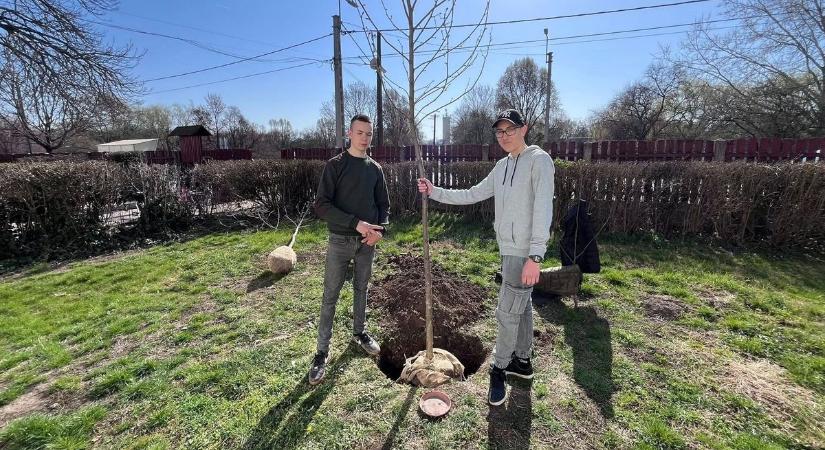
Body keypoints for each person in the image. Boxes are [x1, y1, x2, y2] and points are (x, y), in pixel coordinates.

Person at [417, 109, 555, 405]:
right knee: (521, 306)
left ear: (524, 129)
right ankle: (522, 362)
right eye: (499, 132)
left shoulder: (539, 160)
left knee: (506, 312)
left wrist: (535, 256)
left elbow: (544, 209)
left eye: (510, 130)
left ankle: (499, 368)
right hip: (508, 249)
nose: (504, 136)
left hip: (524, 251)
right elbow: (472, 193)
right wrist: (435, 191)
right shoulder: (502, 166)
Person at [309, 114, 389, 385]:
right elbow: (322, 205)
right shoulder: (335, 166)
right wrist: (355, 223)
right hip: (339, 242)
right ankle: (321, 352)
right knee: (330, 295)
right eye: (360, 133)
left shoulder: (375, 169)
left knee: (361, 289)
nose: (365, 138)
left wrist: (380, 231)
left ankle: (359, 333)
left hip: (367, 243)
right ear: (349, 133)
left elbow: (384, 206)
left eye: (369, 134)